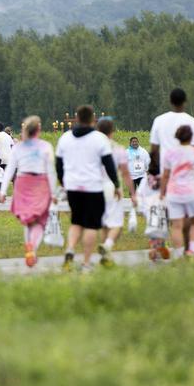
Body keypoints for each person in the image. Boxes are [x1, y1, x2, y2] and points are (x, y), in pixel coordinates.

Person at [55, 105, 121, 270]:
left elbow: (58, 163)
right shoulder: (99, 138)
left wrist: (63, 181)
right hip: (93, 187)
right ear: (93, 119)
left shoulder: (65, 138)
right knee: (91, 225)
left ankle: (70, 249)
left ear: (77, 118)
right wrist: (117, 185)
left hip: (72, 187)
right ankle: (85, 262)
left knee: (76, 222)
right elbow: (109, 164)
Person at [0, 116, 56, 268]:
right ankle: (32, 249)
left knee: (27, 219)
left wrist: (3, 191)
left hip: (22, 182)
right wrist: (54, 192)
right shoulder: (45, 146)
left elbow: (10, 169)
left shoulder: (18, 147)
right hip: (40, 183)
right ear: (39, 130)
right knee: (40, 220)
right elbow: (50, 171)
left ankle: (29, 249)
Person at [160, 125, 194, 258]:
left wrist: (162, 192)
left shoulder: (170, 153)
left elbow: (165, 175)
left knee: (176, 226)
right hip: (192, 192)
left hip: (174, 193)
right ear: (191, 137)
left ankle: (178, 253)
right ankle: (191, 250)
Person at [96, 118, 137, 264]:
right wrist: (133, 193)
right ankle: (107, 246)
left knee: (105, 224)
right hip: (111, 187)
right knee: (117, 224)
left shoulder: (94, 148)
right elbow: (125, 173)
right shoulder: (118, 149)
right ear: (112, 131)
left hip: (96, 187)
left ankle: (106, 256)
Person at [149, 88, 194, 175]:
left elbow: (154, 150)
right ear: (185, 101)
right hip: (187, 173)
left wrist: (155, 171)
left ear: (170, 101)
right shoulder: (193, 122)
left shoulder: (159, 120)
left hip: (166, 172)